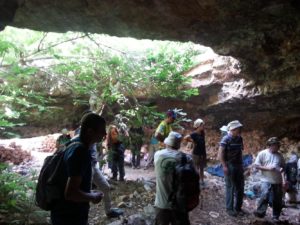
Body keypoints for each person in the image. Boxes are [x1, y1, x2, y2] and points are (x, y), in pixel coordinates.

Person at [50, 113, 106, 225]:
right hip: (70, 216)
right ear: (90, 132)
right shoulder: (80, 152)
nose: (105, 134)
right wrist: (92, 196)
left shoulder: (73, 144)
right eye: (102, 130)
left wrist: (87, 192)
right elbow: (70, 193)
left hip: (60, 212)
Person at [154, 131, 190, 225]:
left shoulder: (158, 155)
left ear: (167, 143)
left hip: (161, 204)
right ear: (178, 145)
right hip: (179, 205)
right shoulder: (186, 158)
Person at [253, 137, 286, 222]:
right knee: (265, 194)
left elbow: (283, 168)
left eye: (277, 145)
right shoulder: (262, 153)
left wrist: (283, 179)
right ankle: (260, 212)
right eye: (274, 145)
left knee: (277, 199)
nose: (276, 147)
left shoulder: (280, 155)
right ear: (270, 145)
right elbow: (256, 166)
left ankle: (276, 216)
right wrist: (268, 168)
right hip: (265, 179)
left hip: (277, 181)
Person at [218, 120, 245, 217]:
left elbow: (240, 153)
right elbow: (220, 154)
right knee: (230, 187)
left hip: (238, 165)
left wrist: (242, 165)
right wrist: (224, 166)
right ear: (233, 129)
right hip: (229, 165)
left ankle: (238, 207)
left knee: (240, 187)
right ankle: (229, 208)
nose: (240, 130)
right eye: (238, 129)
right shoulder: (226, 139)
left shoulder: (239, 139)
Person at [184, 118, 206, 187]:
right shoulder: (194, 133)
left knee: (202, 167)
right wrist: (192, 141)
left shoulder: (202, 133)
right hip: (196, 153)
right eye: (202, 125)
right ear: (198, 126)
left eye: (203, 125)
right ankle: (196, 181)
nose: (203, 127)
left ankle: (202, 180)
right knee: (196, 168)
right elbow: (185, 138)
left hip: (202, 153)